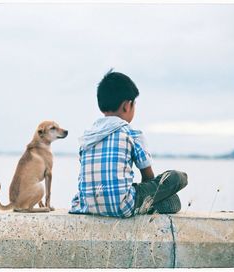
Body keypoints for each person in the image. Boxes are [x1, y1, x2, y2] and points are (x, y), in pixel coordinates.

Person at [69, 69, 188, 218]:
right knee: (178, 178)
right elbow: (148, 178)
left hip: (88, 205)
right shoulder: (131, 134)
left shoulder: (87, 137)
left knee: (168, 200)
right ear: (127, 105)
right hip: (122, 207)